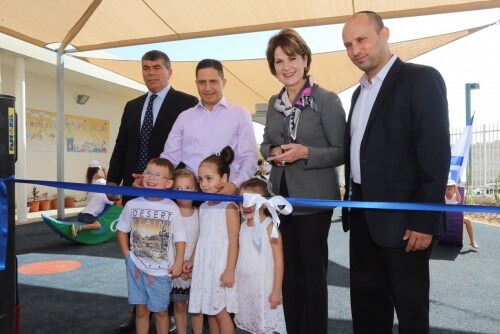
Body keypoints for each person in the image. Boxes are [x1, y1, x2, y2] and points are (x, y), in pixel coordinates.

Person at [341, 11, 450, 333]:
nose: (355, 50)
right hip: (362, 216)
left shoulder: (421, 78)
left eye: (362, 40)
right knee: (367, 312)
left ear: (384, 34)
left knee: (411, 314)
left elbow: (435, 155)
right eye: (348, 45)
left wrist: (424, 219)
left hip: (405, 222)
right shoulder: (358, 93)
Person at [260, 28, 346, 333]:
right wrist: (273, 151)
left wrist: (304, 152)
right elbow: (266, 142)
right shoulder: (273, 102)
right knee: (289, 274)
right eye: (279, 61)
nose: (286, 66)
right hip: (281, 200)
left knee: (312, 275)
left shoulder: (326, 99)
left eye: (292, 58)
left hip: (314, 200)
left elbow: (340, 151)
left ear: (305, 59)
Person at [106, 50, 197, 332]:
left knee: (167, 254)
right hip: (135, 192)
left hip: (168, 193)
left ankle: (170, 310)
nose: (151, 73)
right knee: (140, 250)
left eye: (157, 67)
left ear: (169, 71)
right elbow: (122, 144)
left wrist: (170, 181)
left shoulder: (186, 103)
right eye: (146, 68)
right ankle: (139, 309)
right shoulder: (132, 106)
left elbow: (189, 147)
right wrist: (113, 179)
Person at [161, 58, 258, 195]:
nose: (207, 88)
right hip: (189, 196)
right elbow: (170, 158)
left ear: (223, 82)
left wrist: (235, 184)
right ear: (196, 84)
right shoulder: (184, 117)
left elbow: (250, 158)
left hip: (225, 196)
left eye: (213, 81)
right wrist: (154, 176)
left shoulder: (240, 114)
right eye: (202, 82)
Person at [116, 158, 186, 334]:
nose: (151, 177)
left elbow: (180, 237)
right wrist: (127, 256)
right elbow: (122, 230)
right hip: (136, 268)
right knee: (140, 311)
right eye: (148, 173)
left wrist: (178, 262)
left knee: (161, 312)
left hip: (161, 271)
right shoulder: (132, 204)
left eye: (157, 175)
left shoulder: (172, 208)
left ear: (169, 183)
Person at [185, 146, 239, 334]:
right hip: (204, 265)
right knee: (210, 311)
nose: (204, 184)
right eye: (200, 179)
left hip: (221, 266)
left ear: (224, 178)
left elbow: (234, 241)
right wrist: (192, 260)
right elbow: (202, 236)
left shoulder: (230, 207)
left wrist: (230, 270)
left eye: (209, 178)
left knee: (221, 312)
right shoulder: (204, 207)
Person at [235, 177, 286, 334]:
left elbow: (279, 261)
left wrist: (276, 290)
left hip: (264, 287)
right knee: (253, 323)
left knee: (265, 325)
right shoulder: (242, 226)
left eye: (252, 202)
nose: (246, 206)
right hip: (247, 286)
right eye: (242, 201)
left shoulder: (270, 227)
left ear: (264, 203)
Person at [170, 169, 204, 334]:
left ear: (196, 190)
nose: (183, 192)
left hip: (196, 267)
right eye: (178, 188)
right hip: (176, 269)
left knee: (197, 307)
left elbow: (201, 240)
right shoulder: (170, 215)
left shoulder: (200, 214)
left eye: (188, 188)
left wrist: (192, 264)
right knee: (179, 305)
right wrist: (178, 265)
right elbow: (168, 244)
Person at [71, 160, 114, 238]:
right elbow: (113, 201)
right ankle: (79, 228)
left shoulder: (90, 178)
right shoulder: (97, 178)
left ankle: (100, 233)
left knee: (98, 219)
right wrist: (104, 171)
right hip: (89, 214)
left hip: (87, 205)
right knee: (98, 225)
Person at [445, 179, 478, 248]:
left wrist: (456, 189)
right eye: (448, 186)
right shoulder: (443, 196)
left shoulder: (455, 196)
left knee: (468, 221)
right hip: (444, 216)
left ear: (454, 188)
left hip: (454, 216)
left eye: (451, 186)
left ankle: (472, 241)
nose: (449, 187)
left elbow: (459, 200)